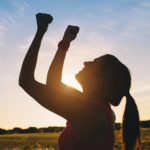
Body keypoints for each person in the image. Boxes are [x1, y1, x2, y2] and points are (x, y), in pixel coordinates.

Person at [19, 13, 141, 150]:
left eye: (93, 64)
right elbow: (53, 84)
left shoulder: (92, 115)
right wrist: (65, 43)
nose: (85, 62)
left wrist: (40, 32)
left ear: (98, 82)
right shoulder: (91, 105)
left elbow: (26, 82)